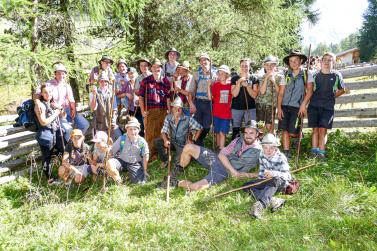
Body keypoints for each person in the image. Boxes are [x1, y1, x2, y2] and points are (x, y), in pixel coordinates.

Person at [177, 121, 261, 191]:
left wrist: (250, 175)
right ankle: (179, 168)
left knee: (196, 187)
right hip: (213, 159)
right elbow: (221, 154)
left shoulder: (260, 150)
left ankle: (178, 183)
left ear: (257, 134)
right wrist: (234, 172)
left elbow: (269, 170)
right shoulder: (238, 140)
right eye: (246, 132)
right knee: (188, 147)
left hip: (222, 172)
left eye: (251, 133)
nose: (248, 136)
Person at [34, 63, 90, 140]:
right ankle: (69, 146)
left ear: (65, 75)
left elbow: (71, 100)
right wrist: (37, 103)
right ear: (55, 74)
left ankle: (75, 141)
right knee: (68, 129)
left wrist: (73, 109)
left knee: (85, 124)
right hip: (56, 111)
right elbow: (36, 94)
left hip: (67, 110)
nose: (61, 75)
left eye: (63, 73)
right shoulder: (49, 84)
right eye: (58, 73)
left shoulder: (67, 86)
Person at [308, 52, 346, 159]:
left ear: (333, 62)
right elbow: (309, 90)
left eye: (330, 60)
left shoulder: (337, 75)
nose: (326, 62)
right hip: (314, 105)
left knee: (323, 130)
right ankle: (314, 151)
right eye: (324, 60)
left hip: (328, 107)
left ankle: (321, 152)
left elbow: (342, 89)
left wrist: (332, 96)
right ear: (320, 61)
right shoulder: (315, 75)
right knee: (315, 129)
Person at [244, 133, 291, 219]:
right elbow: (262, 171)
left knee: (275, 179)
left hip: (279, 183)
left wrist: (273, 173)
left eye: (271, 147)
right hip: (266, 181)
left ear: (275, 147)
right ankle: (273, 200)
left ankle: (260, 205)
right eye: (265, 147)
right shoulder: (262, 154)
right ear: (262, 147)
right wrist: (260, 183)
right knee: (246, 186)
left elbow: (288, 176)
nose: (268, 150)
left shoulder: (281, 157)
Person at [277, 50, 314, 159]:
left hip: (297, 107)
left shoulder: (307, 74)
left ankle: (298, 135)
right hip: (284, 106)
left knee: (292, 132)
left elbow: (310, 91)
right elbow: (281, 93)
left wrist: (303, 105)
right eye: (291, 61)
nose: (293, 63)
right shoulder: (286, 74)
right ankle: (286, 152)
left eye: (296, 60)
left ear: (301, 60)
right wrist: (278, 107)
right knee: (284, 129)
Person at [154, 96, 203, 171]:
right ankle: (165, 160)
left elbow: (200, 128)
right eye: (175, 107)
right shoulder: (168, 117)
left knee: (178, 165)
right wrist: (165, 140)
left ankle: (188, 155)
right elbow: (163, 131)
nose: (177, 110)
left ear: (182, 109)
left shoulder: (188, 119)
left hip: (182, 145)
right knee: (157, 141)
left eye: (179, 108)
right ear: (172, 108)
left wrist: (193, 141)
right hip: (172, 141)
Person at [138, 58, 171, 158]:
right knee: (150, 132)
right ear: (151, 68)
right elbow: (141, 97)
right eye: (154, 67)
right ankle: (150, 153)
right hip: (150, 110)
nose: (157, 69)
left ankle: (161, 153)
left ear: (161, 69)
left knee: (162, 132)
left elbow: (168, 97)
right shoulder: (146, 81)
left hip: (163, 110)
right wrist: (143, 110)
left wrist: (169, 110)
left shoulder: (166, 81)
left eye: (159, 67)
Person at [34, 84, 64, 184]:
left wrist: (60, 109)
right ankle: (50, 179)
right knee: (47, 157)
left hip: (55, 133)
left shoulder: (52, 104)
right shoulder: (40, 105)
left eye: (50, 92)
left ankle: (64, 172)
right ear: (42, 94)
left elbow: (63, 115)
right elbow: (43, 122)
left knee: (62, 150)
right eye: (45, 92)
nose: (48, 94)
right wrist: (56, 113)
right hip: (45, 135)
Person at [106, 116, 150, 184]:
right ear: (127, 129)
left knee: (139, 183)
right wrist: (108, 166)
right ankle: (118, 181)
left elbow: (145, 157)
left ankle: (131, 174)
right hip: (121, 161)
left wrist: (145, 171)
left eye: (135, 129)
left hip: (134, 163)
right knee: (109, 163)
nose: (133, 132)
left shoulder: (142, 142)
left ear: (138, 130)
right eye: (130, 129)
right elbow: (111, 151)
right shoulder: (121, 139)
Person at [189, 53, 217, 146]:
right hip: (198, 102)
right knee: (197, 125)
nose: (203, 62)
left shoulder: (215, 74)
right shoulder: (196, 74)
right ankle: (197, 143)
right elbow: (191, 90)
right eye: (201, 60)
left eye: (205, 60)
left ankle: (199, 139)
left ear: (209, 61)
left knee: (206, 126)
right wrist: (191, 103)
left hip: (210, 103)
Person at [230, 58, 259, 140]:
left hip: (250, 108)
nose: (244, 68)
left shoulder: (254, 79)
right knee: (236, 130)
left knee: (251, 129)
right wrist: (239, 83)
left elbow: (254, 95)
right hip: (236, 108)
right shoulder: (234, 79)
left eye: (246, 66)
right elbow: (234, 94)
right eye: (242, 66)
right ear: (240, 67)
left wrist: (247, 86)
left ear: (249, 67)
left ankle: (250, 147)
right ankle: (234, 148)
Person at [256, 55, 284, 133]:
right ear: (264, 66)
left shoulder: (280, 77)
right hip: (260, 104)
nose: (269, 67)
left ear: (275, 65)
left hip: (271, 105)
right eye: (267, 65)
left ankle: (270, 141)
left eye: (272, 64)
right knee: (260, 126)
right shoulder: (261, 77)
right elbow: (262, 91)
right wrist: (266, 78)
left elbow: (280, 92)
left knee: (269, 126)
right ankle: (260, 141)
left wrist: (274, 81)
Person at [209, 65, 232, 150]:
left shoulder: (230, 86)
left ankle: (222, 149)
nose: (221, 75)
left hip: (226, 113)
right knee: (217, 132)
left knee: (223, 132)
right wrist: (209, 86)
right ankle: (218, 148)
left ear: (227, 75)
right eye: (219, 73)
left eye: (223, 73)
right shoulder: (216, 85)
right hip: (216, 113)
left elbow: (234, 95)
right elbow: (210, 97)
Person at [89, 74, 118, 139]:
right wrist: (94, 95)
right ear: (98, 82)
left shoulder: (111, 94)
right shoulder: (92, 93)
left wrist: (113, 120)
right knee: (99, 142)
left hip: (109, 122)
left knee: (111, 141)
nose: (103, 83)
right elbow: (93, 108)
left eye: (105, 81)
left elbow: (114, 108)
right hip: (98, 123)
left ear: (108, 83)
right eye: (101, 81)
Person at [134, 58, 152, 137]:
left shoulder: (153, 75)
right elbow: (136, 91)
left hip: (153, 103)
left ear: (148, 66)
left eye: (145, 65)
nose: (143, 67)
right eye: (141, 66)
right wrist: (143, 91)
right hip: (143, 103)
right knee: (145, 122)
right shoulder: (138, 78)